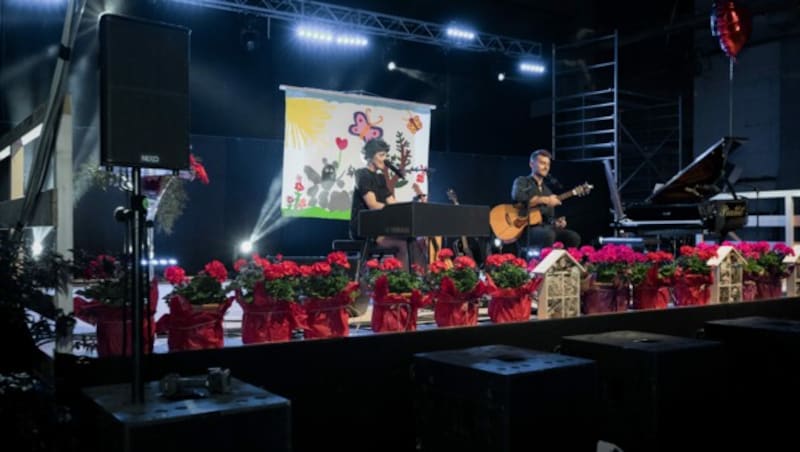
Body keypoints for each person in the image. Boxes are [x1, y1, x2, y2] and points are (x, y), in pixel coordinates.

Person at [350, 138, 410, 268]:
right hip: (364, 227)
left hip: (378, 226)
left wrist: (409, 209)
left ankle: (418, 277)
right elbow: (373, 205)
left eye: (386, 155)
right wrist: (395, 212)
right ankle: (403, 281)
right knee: (403, 244)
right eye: (381, 155)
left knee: (413, 241)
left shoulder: (380, 178)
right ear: (371, 156)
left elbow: (391, 202)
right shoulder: (362, 174)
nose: (385, 159)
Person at [511, 149, 581, 250]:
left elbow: (549, 218)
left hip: (544, 228)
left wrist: (557, 222)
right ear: (531, 164)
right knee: (549, 234)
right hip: (525, 228)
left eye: (548, 164)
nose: (546, 167)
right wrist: (544, 200)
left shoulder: (548, 191)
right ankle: (542, 263)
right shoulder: (522, 181)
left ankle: (562, 264)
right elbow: (518, 197)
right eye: (542, 163)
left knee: (573, 237)